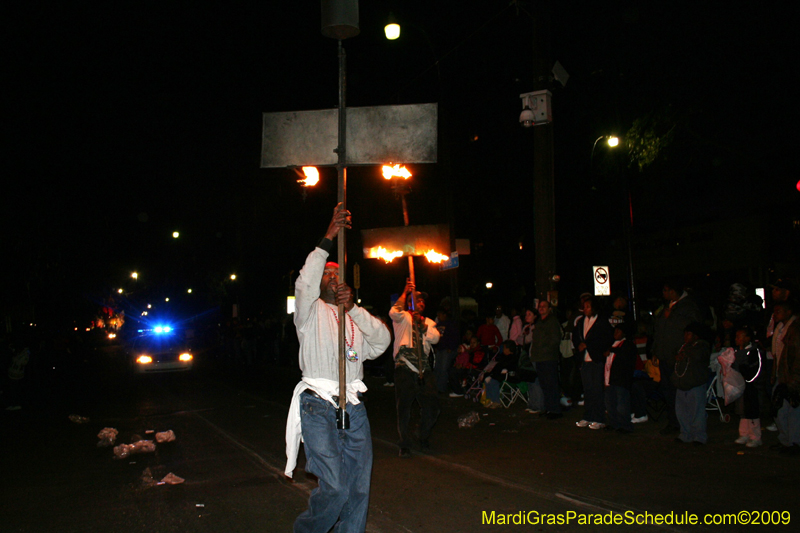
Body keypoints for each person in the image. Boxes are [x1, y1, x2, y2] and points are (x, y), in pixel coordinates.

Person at [284, 204, 391, 533]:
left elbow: (383, 342)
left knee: (358, 489)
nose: (332, 277)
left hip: (354, 407)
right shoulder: (309, 312)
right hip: (317, 403)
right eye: (327, 273)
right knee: (336, 487)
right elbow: (305, 282)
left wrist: (354, 310)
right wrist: (329, 236)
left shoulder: (354, 317)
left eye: (337, 274)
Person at [390, 280, 441, 458]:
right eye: (417, 300)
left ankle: (422, 434)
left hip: (423, 368)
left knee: (432, 406)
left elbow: (435, 339)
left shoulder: (428, 322)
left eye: (422, 301)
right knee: (404, 407)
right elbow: (393, 311)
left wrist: (423, 325)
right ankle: (404, 443)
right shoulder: (403, 317)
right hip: (405, 366)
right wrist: (405, 291)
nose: (420, 302)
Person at [652, 280, 704, 435]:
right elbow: (658, 330)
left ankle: (686, 424)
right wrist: (656, 351)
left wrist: (673, 318)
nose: (664, 294)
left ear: (673, 291)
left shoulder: (688, 306)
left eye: (666, 290)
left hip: (679, 356)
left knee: (680, 392)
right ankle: (674, 422)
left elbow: (695, 327)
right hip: (665, 355)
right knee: (667, 390)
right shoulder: (666, 307)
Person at [573, 297, 614, 430]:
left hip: (595, 359)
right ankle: (588, 416)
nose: (585, 309)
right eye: (584, 307)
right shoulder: (580, 323)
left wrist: (589, 345)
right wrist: (579, 345)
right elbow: (576, 338)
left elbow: (606, 339)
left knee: (597, 390)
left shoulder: (601, 322)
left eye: (588, 306)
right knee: (588, 390)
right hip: (584, 360)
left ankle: (599, 418)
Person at [671, 323, 711, 445]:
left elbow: (698, 356)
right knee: (682, 412)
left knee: (697, 412)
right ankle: (685, 434)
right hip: (682, 384)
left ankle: (699, 436)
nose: (685, 336)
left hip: (695, 384)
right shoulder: (683, 346)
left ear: (696, 336)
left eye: (688, 334)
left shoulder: (702, 346)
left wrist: (685, 353)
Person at [771, 300, 800, 455]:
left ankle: (794, 442)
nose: (775, 314)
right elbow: (777, 353)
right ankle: (786, 440)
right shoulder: (780, 328)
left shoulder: (794, 329)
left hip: (791, 375)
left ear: (789, 312)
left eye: (779, 311)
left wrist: (795, 379)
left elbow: (796, 356)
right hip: (781, 374)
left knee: (792, 410)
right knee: (780, 409)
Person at [529, 300, 563, 419]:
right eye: (540, 306)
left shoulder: (552, 321)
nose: (541, 308)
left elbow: (555, 340)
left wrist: (545, 350)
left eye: (544, 306)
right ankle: (548, 408)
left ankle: (555, 410)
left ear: (549, 308)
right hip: (539, 358)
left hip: (548, 358)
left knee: (551, 384)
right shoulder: (539, 322)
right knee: (544, 385)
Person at [732, 326, 765, 447]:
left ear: (748, 338)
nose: (737, 339)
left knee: (752, 411)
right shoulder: (736, 351)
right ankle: (744, 434)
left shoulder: (754, 352)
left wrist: (748, 378)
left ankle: (755, 436)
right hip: (741, 385)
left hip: (752, 386)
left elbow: (757, 370)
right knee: (742, 409)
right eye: (736, 336)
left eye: (740, 336)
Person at [604, 324, 637, 433]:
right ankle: (614, 423)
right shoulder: (612, 344)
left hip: (620, 380)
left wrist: (612, 350)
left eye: (618, 331)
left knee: (621, 404)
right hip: (609, 379)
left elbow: (625, 358)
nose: (615, 333)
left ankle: (625, 425)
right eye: (615, 330)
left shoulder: (627, 345)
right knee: (610, 403)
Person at [484, 340, 519, 408]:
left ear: (509, 349)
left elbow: (509, 369)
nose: (502, 349)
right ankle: (490, 399)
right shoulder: (502, 357)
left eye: (504, 348)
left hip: (508, 377)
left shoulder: (513, 358)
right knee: (487, 380)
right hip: (499, 375)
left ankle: (496, 401)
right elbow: (498, 367)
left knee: (493, 382)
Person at [434, 308, 460, 394]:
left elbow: (455, 337)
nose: (438, 317)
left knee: (443, 369)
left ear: (444, 315)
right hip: (439, 349)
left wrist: (451, 347)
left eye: (440, 315)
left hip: (446, 350)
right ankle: (436, 386)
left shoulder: (450, 324)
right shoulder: (438, 324)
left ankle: (442, 388)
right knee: (437, 368)